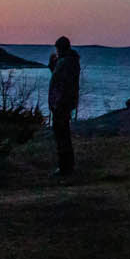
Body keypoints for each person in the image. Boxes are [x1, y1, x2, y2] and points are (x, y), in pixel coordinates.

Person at [47, 35, 81, 177]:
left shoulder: (66, 62)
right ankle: (66, 166)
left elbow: (62, 83)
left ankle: (65, 168)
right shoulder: (69, 61)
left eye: (57, 48)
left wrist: (57, 103)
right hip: (63, 103)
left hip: (61, 104)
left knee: (62, 135)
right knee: (63, 135)